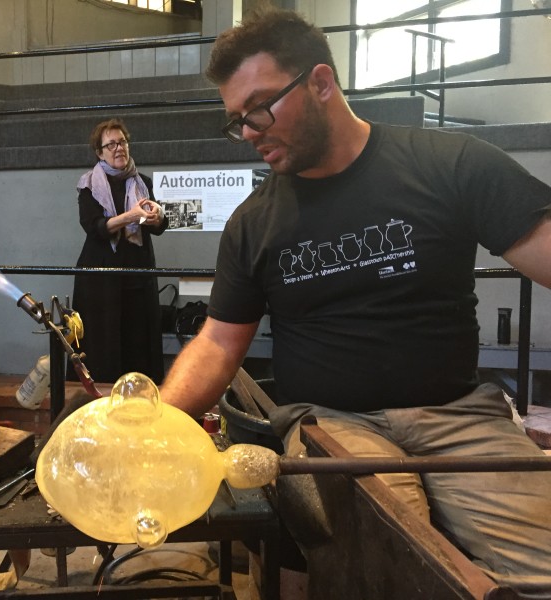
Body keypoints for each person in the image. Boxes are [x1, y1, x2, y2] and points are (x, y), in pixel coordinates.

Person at [160, 6, 551, 598]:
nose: (249, 130)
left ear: (320, 83)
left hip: (460, 417)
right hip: (335, 427)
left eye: (260, 107)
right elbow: (218, 341)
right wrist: (156, 424)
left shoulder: (449, 164)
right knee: (391, 562)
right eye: (237, 119)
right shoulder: (254, 223)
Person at [70, 118, 168, 384]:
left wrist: (157, 216)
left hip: (138, 274)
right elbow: (95, 228)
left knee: (138, 340)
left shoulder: (143, 182)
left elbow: (157, 227)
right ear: (100, 152)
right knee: (105, 343)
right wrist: (130, 216)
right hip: (101, 277)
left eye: (122, 141)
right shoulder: (89, 185)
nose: (118, 148)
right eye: (110, 144)